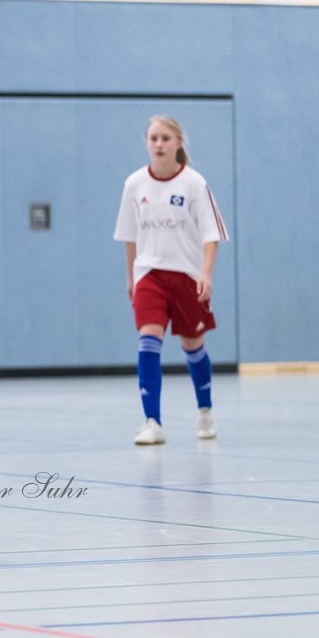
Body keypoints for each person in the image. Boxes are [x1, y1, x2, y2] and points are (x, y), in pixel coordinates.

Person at [113, 115, 229, 446]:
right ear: (146, 143)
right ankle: (152, 421)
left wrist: (206, 273)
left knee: (193, 346)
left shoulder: (194, 183)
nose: (159, 144)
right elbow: (128, 235)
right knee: (148, 339)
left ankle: (205, 410)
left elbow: (212, 234)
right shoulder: (134, 184)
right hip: (149, 273)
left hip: (187, 276)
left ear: (178, 143)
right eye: (153, 138)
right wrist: (131, 275)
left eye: (165, 138)